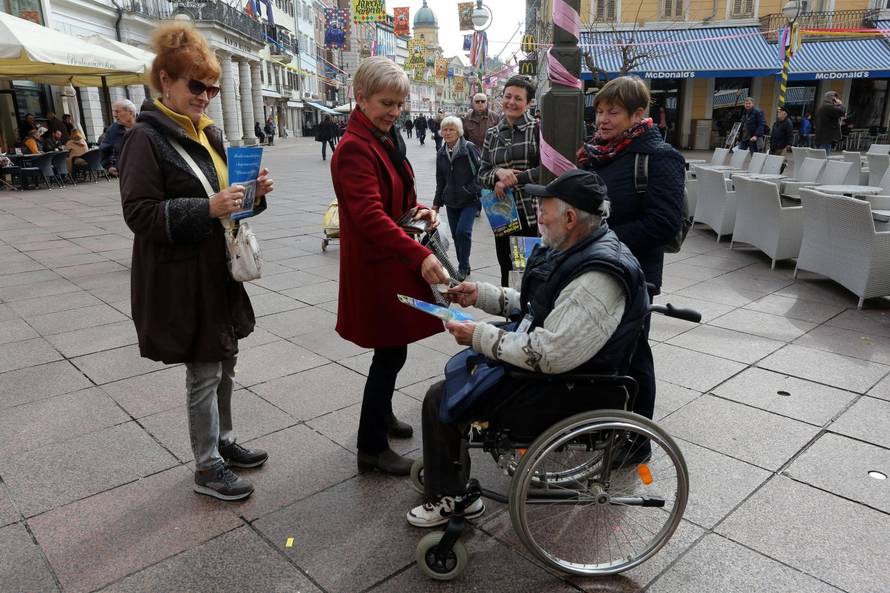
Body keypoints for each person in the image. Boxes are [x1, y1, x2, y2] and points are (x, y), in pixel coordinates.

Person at [405, 169, 649, 527]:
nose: (537, 213)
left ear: (569, 218)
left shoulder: (597, 277)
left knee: (441, 397)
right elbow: (542, 303)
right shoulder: (575, 247)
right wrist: (482, 295)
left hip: (568, 386)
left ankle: (451, 498)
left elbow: (551, 353)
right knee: (459, 379)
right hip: (560, 371)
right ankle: (451, 479)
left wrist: (479, 335)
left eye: (543, 207)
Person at [119, 21, 274, 501]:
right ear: (165, 80)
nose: (206, 95)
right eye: (196, 85)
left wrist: (252, 195)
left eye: (212, 87)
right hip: (181, 275)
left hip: (216, 269)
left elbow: (226, 201)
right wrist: (207, 208)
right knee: (205, 368)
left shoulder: (209, 133)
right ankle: (207, 465)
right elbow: (139, 212)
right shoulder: (145, 138)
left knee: (225, 359)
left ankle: (223, 442)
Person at [331, 56, 448, 476]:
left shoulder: (383, 137)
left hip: (390, 260)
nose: (394, 112)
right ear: (359, 98)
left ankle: (382, 417)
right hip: (377, 266)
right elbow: (370, 217)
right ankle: (371, 448)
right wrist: (421, 254)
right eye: (386, 103)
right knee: (388, 353)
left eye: (399, 104)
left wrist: (419, 209)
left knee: (392, 351)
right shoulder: (353, 149)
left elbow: (393, 200)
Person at [578, 75, 685, 445]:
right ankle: (602, 425)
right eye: (600, 111)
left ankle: (635, 440)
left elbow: (664, 222)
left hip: (634, 274)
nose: (603, 120)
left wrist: (599, 240)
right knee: (601, 352)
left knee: (633, 355)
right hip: (595, 268)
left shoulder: (659, 157)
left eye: (614, 112)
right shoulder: (597, 152)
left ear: (638, 114)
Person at [478, 75, 541, 287]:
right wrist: (498, 174)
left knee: (525, 270)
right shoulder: (493, 133)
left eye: (518, 98)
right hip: (502, 214)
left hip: (529, 214)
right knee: (506, 268)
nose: (511, 102)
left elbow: (548, 171)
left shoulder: (537, 129)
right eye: (507, 96)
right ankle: (511, 317)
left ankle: (526, 317)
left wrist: (512, 179)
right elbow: (481, 173)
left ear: (529, 103)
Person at [433, 116, 481, 279]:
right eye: (445, 129)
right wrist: (436, 203)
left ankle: (463, 266)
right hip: (451, 201)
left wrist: (469, 190)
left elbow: (481, 173)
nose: (447, 133)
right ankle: (463, 264)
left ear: (459, 131)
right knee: (455, 235)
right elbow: (440, 180)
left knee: (463, 231)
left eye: (451, 129)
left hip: (469, 200)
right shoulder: (441, 153)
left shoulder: (469, 148)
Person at [100, 99, 138, 176]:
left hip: (149, 171)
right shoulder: (113, 130)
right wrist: (109, 166)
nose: (115, 115)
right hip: (126, 174)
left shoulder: (145, 126)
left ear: (130, 112)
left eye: (117, 111)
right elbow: (104, 149)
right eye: (114, 112)